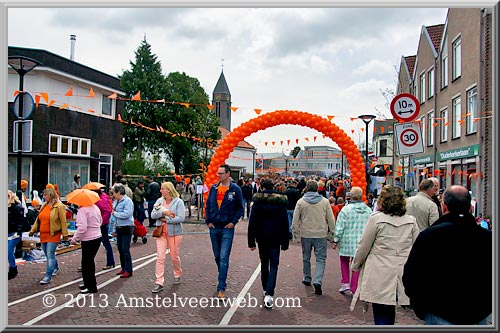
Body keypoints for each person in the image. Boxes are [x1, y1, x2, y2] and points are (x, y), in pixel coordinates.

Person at [403, 185, 492, 325]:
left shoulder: (429, 236)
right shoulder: (488, 238)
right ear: (470, 208)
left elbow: (412, 275)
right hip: (477, 313)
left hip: (439, 312)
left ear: (444, 207)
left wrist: (420, 306)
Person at [350, 185, 418, 325]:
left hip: (379, 270)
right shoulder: (411, 221)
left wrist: (355, 265)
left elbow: (364, 245)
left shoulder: (376, 219)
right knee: (391, 308)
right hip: (401, 271)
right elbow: (417, 248)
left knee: (380, 309)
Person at [248, 178, 289, 309]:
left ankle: (266, 288)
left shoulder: (257, 203)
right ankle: (270, 293)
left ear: (262, 187)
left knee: (264, 263)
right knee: (274, 264)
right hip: (276, 237)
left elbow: (252, 223)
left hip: (262, 237)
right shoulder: (280, 203)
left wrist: (251, 241)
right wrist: (285, 241)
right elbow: (284, 223)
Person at [205, 164, 244, 298]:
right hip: (214, 227)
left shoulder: (235, 189)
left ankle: (221, 285)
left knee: (223, 257)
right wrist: (208, 221)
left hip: (227, 228)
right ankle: (222, 274)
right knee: (217, 256)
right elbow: (208, 205)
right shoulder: (214, 188)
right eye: (218, 173)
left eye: (221, 173)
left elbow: (240, 208)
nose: (218, 175)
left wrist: (233, 222)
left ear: (228, 174)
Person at [291, 179, 335, 296]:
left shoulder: (301, 202)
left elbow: (295, 220)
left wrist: (296, 234)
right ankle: (318, 280)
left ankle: (307, 278)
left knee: (306, 257)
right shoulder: (325, 202)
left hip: (306, 234)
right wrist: (332, 234)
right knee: (320, 259)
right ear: (317, 189)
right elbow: (331, 219)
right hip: (320, 233)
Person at [332, 186, 372, 295]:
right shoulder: (368, 210)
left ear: (350, 196)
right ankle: (355, 287)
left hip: (347, 240)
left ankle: (345, 283)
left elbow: (340, 226)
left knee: (344, 261)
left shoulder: (346, 210)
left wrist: (335, 240)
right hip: (361, 241)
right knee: (357, 264)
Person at [150, 182, 185, 293]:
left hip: (174, 233)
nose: (161, 191)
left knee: (174, 256)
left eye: (162, 189)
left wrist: (168, 220)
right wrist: (163, 212)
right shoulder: (159, 202)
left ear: (168, 190)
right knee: (160, 257)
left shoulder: (178, 202)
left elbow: (181, 218)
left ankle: (177, 273)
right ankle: (159, 282)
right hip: (161, 233)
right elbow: (152, 215)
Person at [29, 188, 69, 284]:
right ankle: (55, 267)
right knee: (47, 254)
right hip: (43, 234)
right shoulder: (44, 205)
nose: (43, 197)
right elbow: (38, 220)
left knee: (50, 254)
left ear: (50, 195)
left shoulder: (59, 206)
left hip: (53, 234)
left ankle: (48, 275)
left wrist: (65, 234)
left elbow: (63, 221)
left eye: (45, 195)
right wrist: (33, 230)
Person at [70, 203, 102, 294]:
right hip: (97, 236)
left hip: (88, 238)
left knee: (87, 263)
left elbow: (82, 228)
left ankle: (91, 286)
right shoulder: (95, 207)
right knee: (88, 261)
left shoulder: (82, 210)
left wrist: (74, 239)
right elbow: (100, 221)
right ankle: (87, 283)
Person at [110, 183, 135, 278]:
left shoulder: (127, 201)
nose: (112, 195)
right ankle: (123, 267)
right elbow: (114, 216)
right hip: (119, 227)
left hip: (127, 226)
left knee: (125, 249)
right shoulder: (116, 201)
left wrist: (116, 213)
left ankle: (129, 270)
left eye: (114, 193)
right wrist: (113, 229)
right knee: (120, 248)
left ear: (118, 192)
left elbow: (127, 214)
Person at [93, 187, 115, 270]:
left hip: (101, 224)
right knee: (99, 244)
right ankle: (87, 261)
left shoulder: (101, 199)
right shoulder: (100, 198)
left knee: (104, 243)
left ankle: (110, 262)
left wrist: (101, 222)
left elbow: (107, 211)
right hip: (98, 224)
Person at [8, 190, 25, 280]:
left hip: (14, 233)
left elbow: (20, 221)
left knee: (8, 250)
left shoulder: (17, 208)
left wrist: (18, 231)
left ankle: (13, 269)